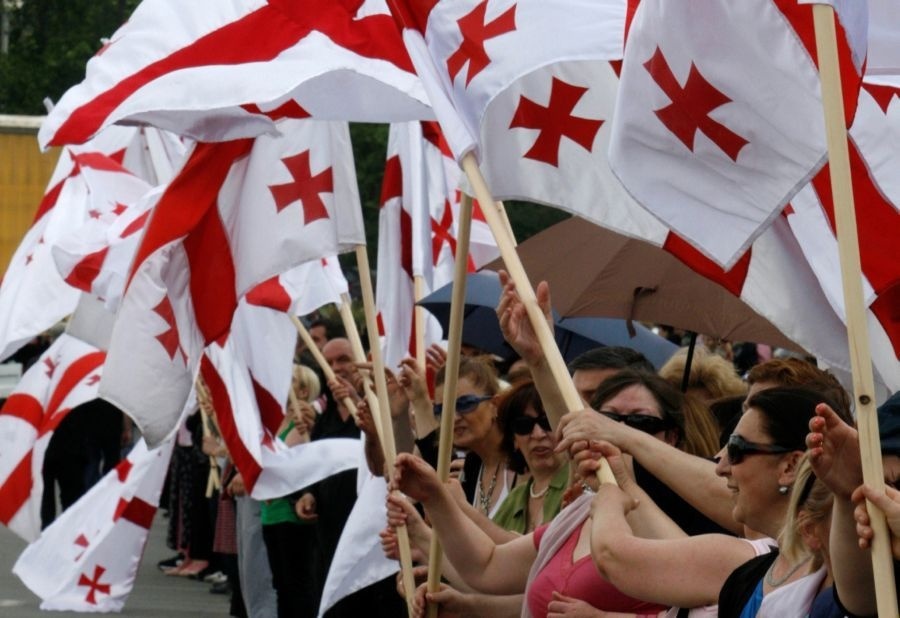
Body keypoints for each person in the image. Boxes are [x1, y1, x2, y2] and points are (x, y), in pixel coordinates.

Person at [391, 370, 692, 617]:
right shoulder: (582, 510)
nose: (620, 432)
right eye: (609, 420)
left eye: (641, 422)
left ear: (671, 436)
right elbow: (488, 567)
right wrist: (433, 496)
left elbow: (709, 606)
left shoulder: (685, 520)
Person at [583, 387, 836, 616]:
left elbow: (613, 556)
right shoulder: (758, 568)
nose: (720, 468)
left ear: (790, 466)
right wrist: (621, 484)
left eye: (736, 450)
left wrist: (607, 498)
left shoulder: (840, 574)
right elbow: (676, 546)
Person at [806, 390, 900, 616]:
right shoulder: (824, 605)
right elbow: (866, 605)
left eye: (897, 483)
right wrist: (849, 494)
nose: (888, 497)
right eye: (881, 484)